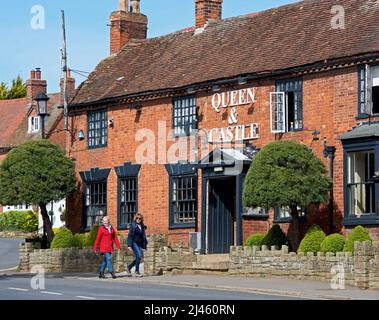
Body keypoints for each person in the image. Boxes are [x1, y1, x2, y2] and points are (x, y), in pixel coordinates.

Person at [127, 213, 148, 277]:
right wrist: (129, 245)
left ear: (141, 219)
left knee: (139, 257)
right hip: (133, 242)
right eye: (137, 218)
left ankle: (129, 267)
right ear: (135, 219)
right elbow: (130, 236)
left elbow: (143, 237)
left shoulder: (142, 226)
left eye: (140, 218)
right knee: (139, 255)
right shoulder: (133, 226)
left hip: (139, 243)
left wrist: (144, 245)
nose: (138, 219)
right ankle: (137, 271)